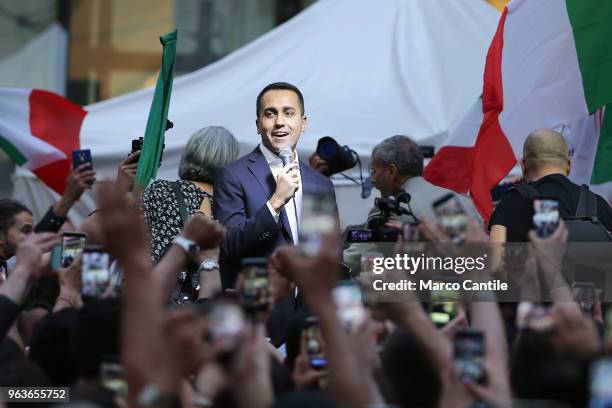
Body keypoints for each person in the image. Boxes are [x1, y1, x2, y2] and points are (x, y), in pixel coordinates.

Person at [213, 82, 338, 344]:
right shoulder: (233, 176)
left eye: (288, 113)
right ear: (258, 124)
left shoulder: (320, 183)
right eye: (270, 113)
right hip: (256, 322)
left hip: (309, 322)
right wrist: (275, 202)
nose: (280, 122)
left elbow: (327, 252)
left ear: (303, 123)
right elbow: (230, 245)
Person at [343, 135, 480, 270]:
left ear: (391, 171)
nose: (372, 180)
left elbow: (355, 258)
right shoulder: (462, 201)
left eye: (374, 171)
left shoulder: (390, 209)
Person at [489, 129, 612, 242]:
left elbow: (496, 262)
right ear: (569, 165)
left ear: (523, 166)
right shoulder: (598, 204)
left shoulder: (513, 202)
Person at [142, 125, 239, 264]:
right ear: (230, 161)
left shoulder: (160, 190)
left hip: (158, 281)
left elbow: (129, 238)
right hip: (209, 282)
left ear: (190, 152)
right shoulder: (233, 206)